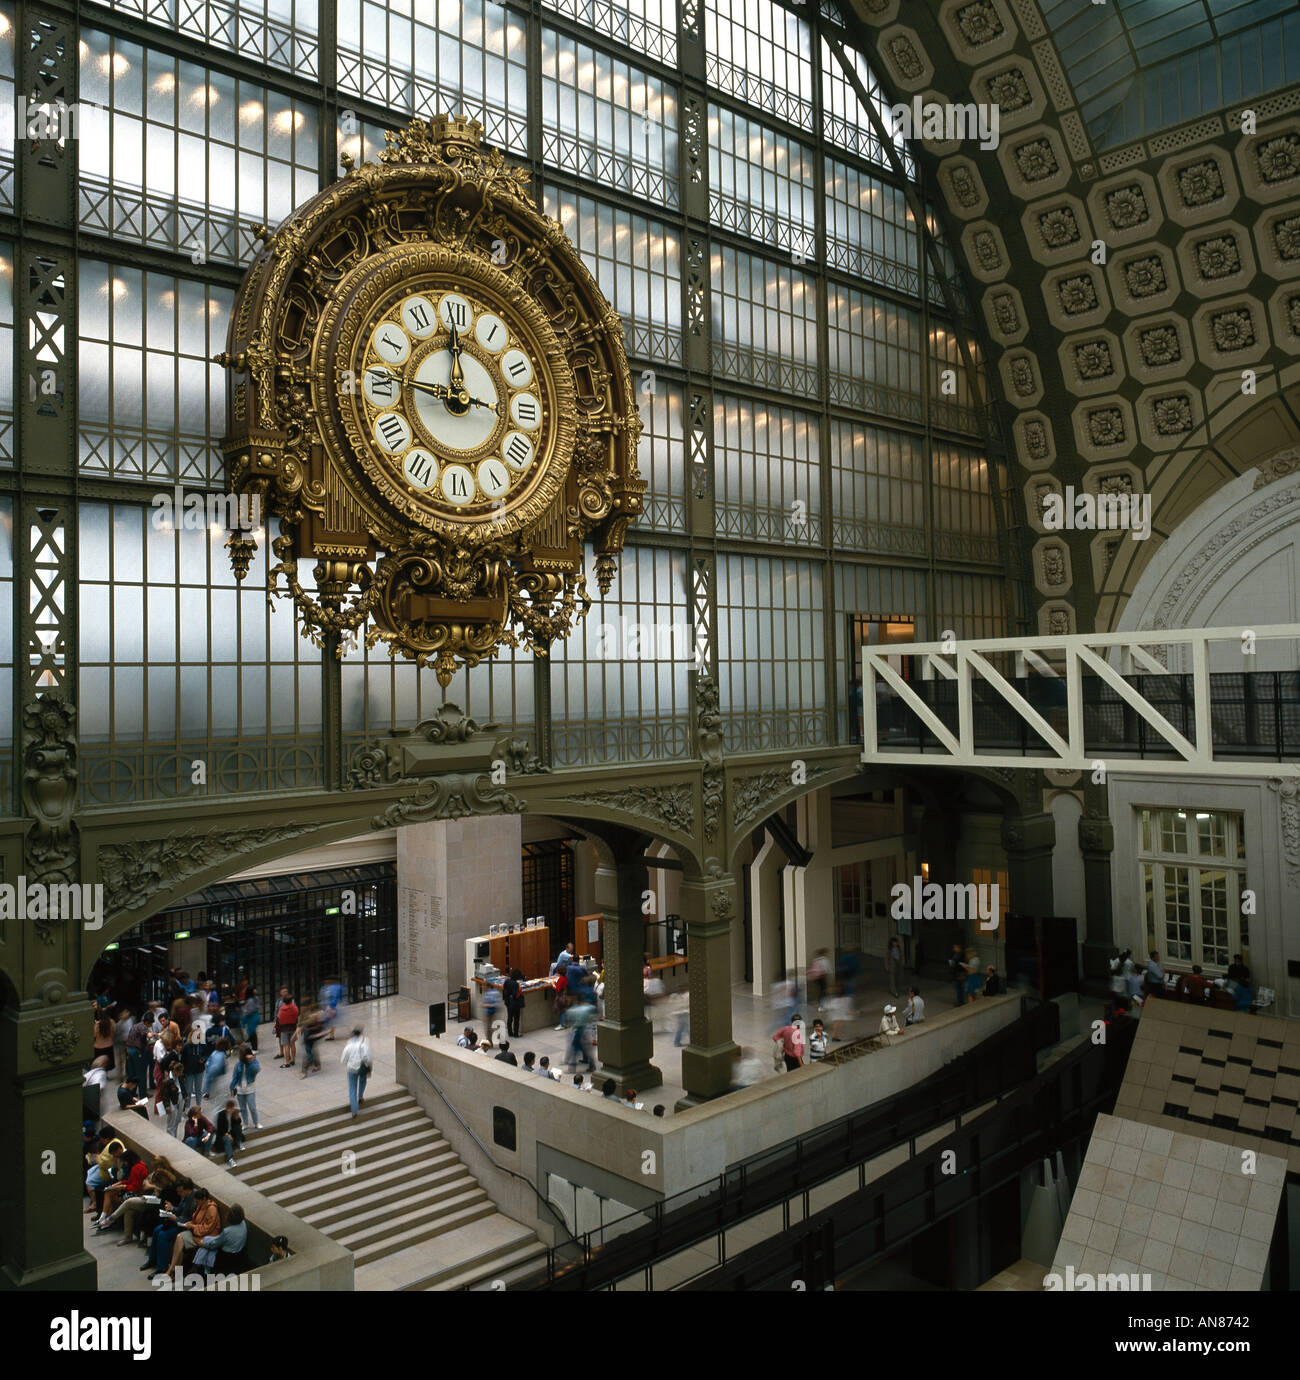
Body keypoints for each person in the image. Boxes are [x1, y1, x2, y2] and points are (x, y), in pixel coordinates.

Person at [159, 1185, 221, 1281]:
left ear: (204, 1199)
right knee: (179, 1238)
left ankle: (171, 1271)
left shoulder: (211, 1209)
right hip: (197, 1232)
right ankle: (173, 1271)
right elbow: (196, 1220)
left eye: (197, 1201)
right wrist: (190, 1223)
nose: (196, 1203)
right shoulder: (201, 1206)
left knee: (180, 1240)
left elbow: (207, 1228)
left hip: (206, 1236)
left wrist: (192, 1226)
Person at [340, 1026, 373, 1116]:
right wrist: (369, 1066)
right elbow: (368, 1057)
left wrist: (348, 1063)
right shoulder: (364, 1043)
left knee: (352, 1088)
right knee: (363, 1081)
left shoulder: (348, 1045)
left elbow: (343, 1059)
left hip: (352, 1069)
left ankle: (354, 1110)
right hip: (362, 1067)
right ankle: (361, 1096)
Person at [229, 1044, 262, 1129]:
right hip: (240, 1089)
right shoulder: (238, 1064)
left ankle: (256, 1123)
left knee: (252, 1107)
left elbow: (256, 1070)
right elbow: (235, 1077)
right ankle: (245, 1123)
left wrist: (250, 1061)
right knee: (242, 1108)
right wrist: (232, 1088)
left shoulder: (254, 1061)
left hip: (250, 1088)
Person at [181, 1024, 207, 1106]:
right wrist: (183, 1071)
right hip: (189, 1071)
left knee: (198, 1090)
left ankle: (198, 1106)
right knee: (188, 1090)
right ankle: (187, 1107)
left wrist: (203, 1059)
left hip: (199, 1070)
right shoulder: (186, 1046)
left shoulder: (202, 1044)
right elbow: (182, 1059)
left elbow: (206, 1054)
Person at [213, 1100, 244, 1167]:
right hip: (222, 1134)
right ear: (227, 1108)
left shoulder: (233, 1113)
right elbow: (219, 1129)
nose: (232, 1110)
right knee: (228, 1139)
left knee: (238, 1128)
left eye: (233, 1108)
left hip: (231, 1132)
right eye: (231, 1109)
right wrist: (227, 1134)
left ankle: (239, 1142)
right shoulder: (221, 1114)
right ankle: (230, 1159)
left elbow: (238, 1123)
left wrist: (237, 1117)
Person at [299, 1006, 326, 1076]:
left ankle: (304, 1072)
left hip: (310, 1037)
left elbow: (303, 1025)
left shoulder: (313, 1017)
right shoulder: (317, 1015)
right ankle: (317, 1065)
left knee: (308, 1055)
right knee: (313, 1051)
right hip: (311, 1037)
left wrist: (306, 1028)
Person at [503, 968, 525, 1039]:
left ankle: (510, 1032)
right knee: (516, 1018)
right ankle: (515, 1033)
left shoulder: (507, 981)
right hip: (515, 1003)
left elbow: (504, 991)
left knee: (509, 1017)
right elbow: (516, 995)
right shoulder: (516, 984)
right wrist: (520, 989)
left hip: (508, 1002)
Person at [240, 986, 260, 1051]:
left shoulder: (250, 1000)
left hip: (251, 1017)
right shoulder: (254, 998)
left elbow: (250, 1011)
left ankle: (254, 1048)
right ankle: (254, 1047)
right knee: (252, 1032)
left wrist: (245, 1012)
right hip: (254, 1016)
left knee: (252, 1033)